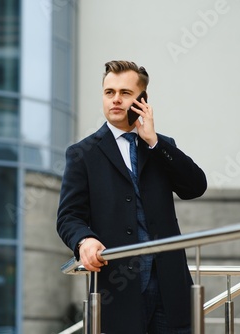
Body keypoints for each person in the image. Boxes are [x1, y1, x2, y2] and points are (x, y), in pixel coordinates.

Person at [56, 60, 207, 333]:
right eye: (109, 92)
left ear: (142, 100)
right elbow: (69, 216)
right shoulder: (83, 154)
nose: (115, 99)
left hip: (170, 288)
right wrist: (84, 240)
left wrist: (155, 142)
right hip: (118, 288)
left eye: (125, 93)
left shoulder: (162, 146)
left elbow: (195, 187)